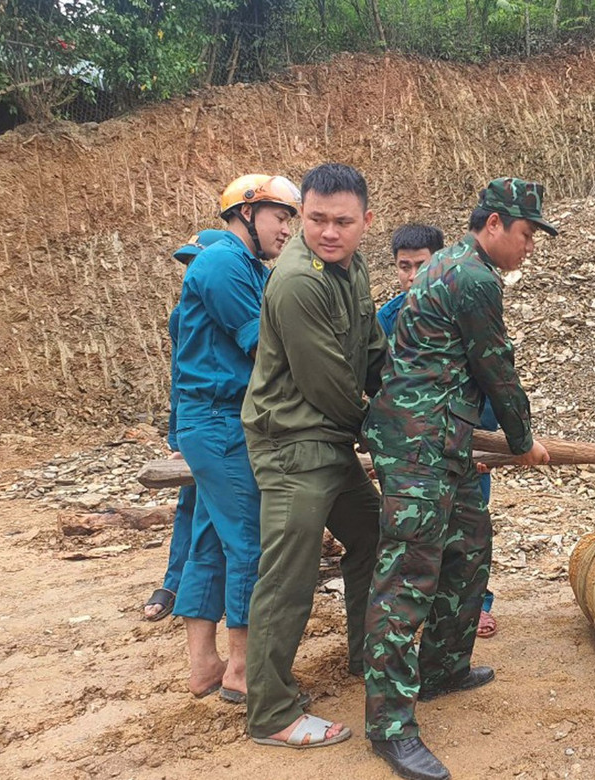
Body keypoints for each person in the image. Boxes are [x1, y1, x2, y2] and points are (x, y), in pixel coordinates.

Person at [361, 177, 553, 780]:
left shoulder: (451, 262)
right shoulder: (472, 277)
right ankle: (390, 726)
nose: (529, 246)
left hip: (447, 438)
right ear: (494, 224)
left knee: (469, 545)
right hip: (418, 445)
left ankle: (442, 668)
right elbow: (496, 367)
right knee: (407, 578)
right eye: (526, 233)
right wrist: (523, 441)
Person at [242, 163, 389, 749]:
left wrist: (409, 399)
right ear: (301, 214)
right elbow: (328, 385)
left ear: (366, 222)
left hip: (328, 439)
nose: (329, 232)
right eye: (317, 219)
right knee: (289, 574)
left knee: (372, 533)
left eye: (342, 222)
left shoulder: (354, 268)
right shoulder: (298, 281)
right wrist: (388, 431)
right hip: (293, 443)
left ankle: (366, 655)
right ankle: (271, 711)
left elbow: (371, 349)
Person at [171, 175, 299, 701]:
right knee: (250, 540)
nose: (287, 229)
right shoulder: (224, 263)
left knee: (209, 541)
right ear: (247, 213)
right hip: (222, 419)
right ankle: (243, 670)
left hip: (210, 420)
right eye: (280, 217)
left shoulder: (245, 266)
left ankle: (204, 664)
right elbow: (266, 347)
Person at [377, 223, 503, 639]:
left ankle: (475, 604)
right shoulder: (388, 319)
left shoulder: (466, 304)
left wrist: (486, 443)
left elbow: (489, 375)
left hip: (464, 439)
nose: (412, 276)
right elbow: (379, 382)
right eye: (404, 266)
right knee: (417, 533)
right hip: (414, 447)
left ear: (441, 262)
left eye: (421, 264)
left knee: (469, 532)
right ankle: (421, 613)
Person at [144, 229, 229, 622]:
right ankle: (175, 581)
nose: (192, 272)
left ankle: (208, 586)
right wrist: (176, 436)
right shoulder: (183, 316)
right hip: (201, 421)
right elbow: (180, 377)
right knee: (190, 499)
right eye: (189, 265)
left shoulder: (236, 302)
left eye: (199, 263)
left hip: (231, 420)